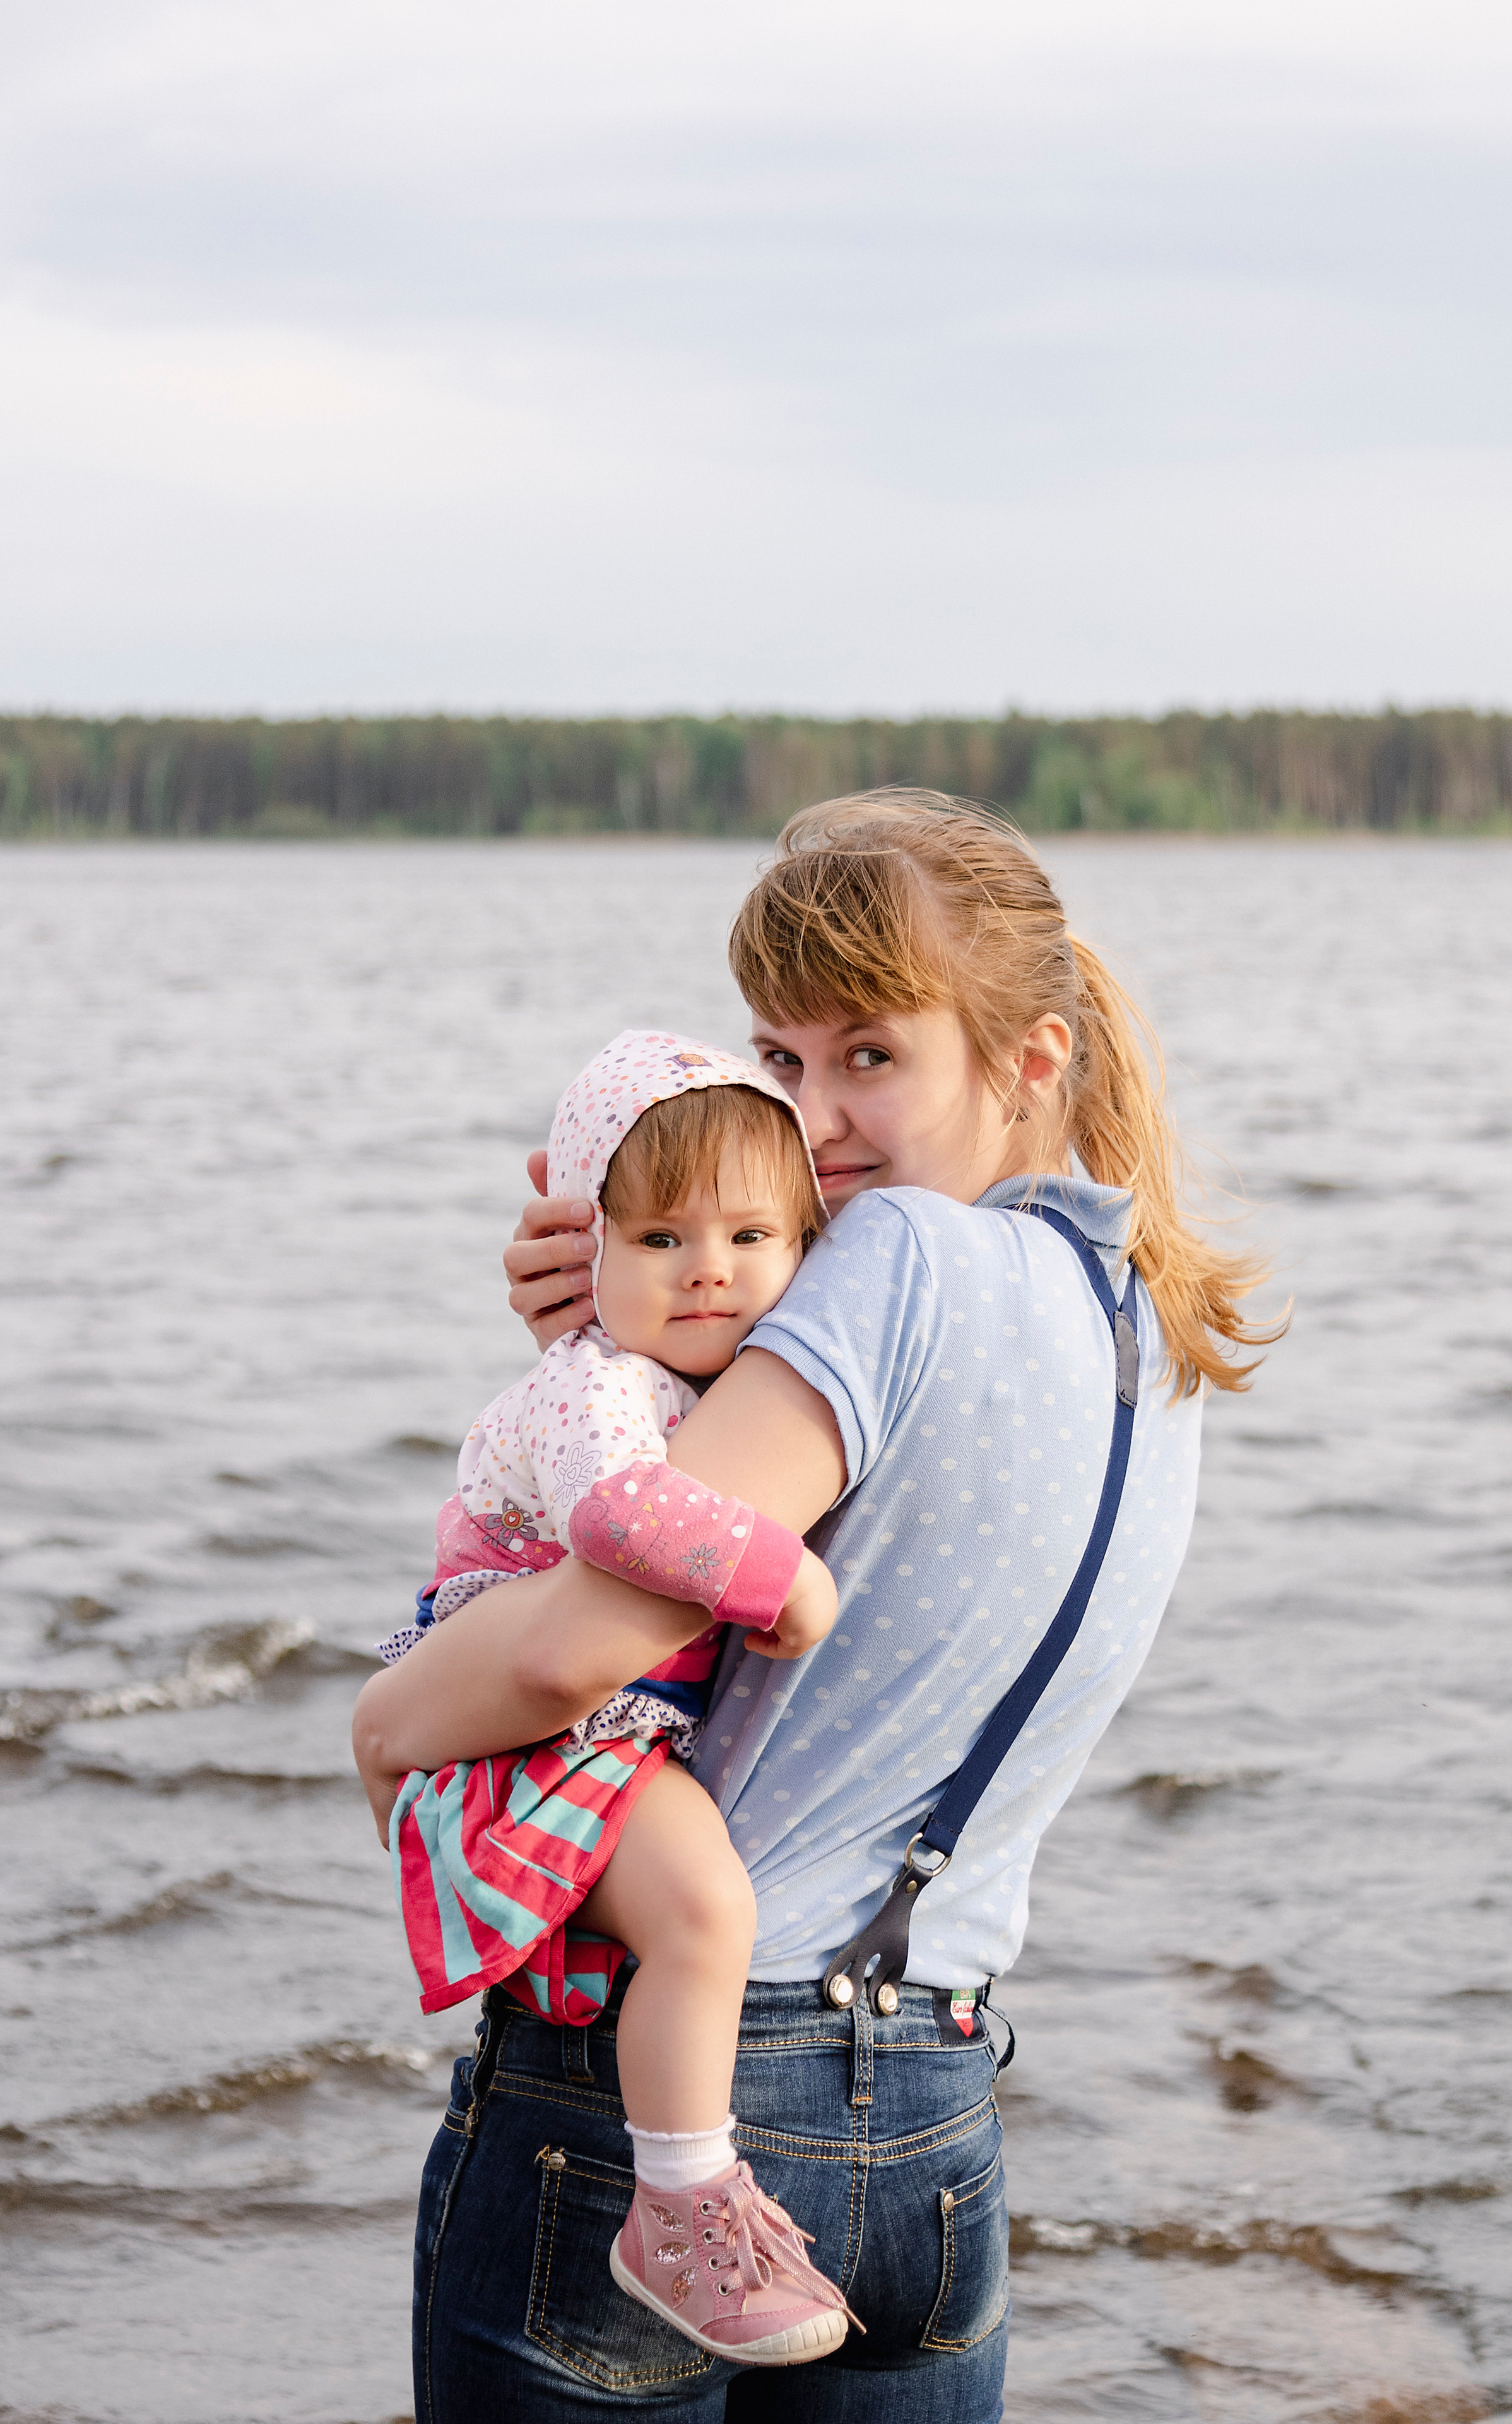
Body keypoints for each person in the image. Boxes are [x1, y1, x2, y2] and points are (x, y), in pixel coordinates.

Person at [351, 789, 1279, 2421]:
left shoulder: (893, 1262)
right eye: (778, 1060)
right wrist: (618, 1338)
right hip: (932, 2106)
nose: (817, 1115)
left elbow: (580, 1643)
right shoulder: (1150, 1321)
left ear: (1028, 1058)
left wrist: (388, 1719)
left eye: (870, 1057)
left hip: (673, 2102)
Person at [379, 1028, 859, 2365]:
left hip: (611, 1722)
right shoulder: (591, 1386)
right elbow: (621, 1513)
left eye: (752, 1236)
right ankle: (678, 2202)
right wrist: (787, 1586)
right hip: (542, 1727)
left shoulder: (701, 1379)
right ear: (586, 1251)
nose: (708, 1267)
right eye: (659, 1241)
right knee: (706, 1911)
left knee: (676, 1922)